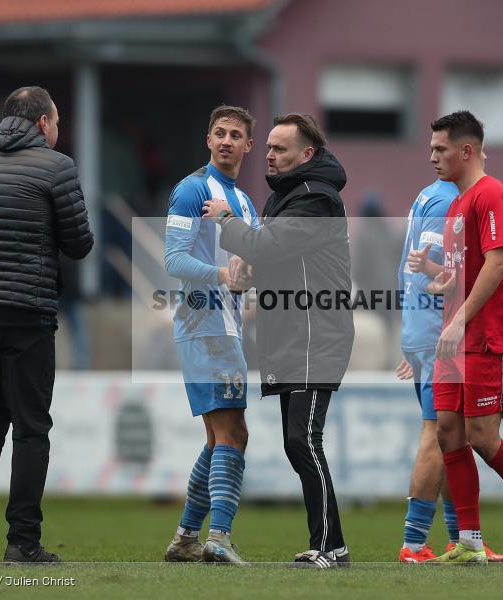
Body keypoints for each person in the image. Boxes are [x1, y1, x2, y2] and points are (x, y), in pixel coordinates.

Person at [407, 111, 503, 565]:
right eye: (431, 148)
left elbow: (496, 264)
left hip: (486, 336)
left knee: (482, 438)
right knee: (448, 434)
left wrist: (458, 320)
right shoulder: (457, 205)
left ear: (466, 150)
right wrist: (438, 276)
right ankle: (470, 541)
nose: (432, 157)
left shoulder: (491, 194)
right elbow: (465, 273)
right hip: (454, 338)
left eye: (440, 149)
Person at [0, 86, 94, 564]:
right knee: (31, 425)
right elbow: (80, 244)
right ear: (43, 123)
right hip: (25, 308)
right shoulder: (57, 166)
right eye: (58, 122)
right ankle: (23, 541)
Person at [203, 113, 354, 568]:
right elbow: (276, 255)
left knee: (303, 439)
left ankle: (328, 547)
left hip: (315, 333)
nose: (268, 155)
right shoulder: (286, 197)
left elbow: (266, 246)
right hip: (293, 333)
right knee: (298, 441)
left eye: (279, 148)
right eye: (268, 147)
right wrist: (251, 268)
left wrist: (227, 220)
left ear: (306, 154)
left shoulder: (315, 197)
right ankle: (333, 545)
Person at [395, 174, 503, 563]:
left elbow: (407, 268)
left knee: (452, 437)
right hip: (439, 335)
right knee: (437, 433)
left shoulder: (427, 195)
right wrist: (431, 333)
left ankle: (460, 539)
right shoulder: (449, 202)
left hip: (424, 332)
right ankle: (413, 545)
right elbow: (431, 270)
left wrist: (412, 332)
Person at [162, 105, 258, 565]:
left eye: (235, 135)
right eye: (219, 133)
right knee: (233, 432)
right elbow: (174, 260)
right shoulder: (193, 189)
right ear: (208, 140)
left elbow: (252, 263)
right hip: (205, 324)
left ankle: (185, 539)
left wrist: (249, 273)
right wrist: (223, 275)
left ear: (248, 146)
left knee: (219, 437)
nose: (226, 141)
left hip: (225, 326)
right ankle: (218, 536)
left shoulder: (245, 202)